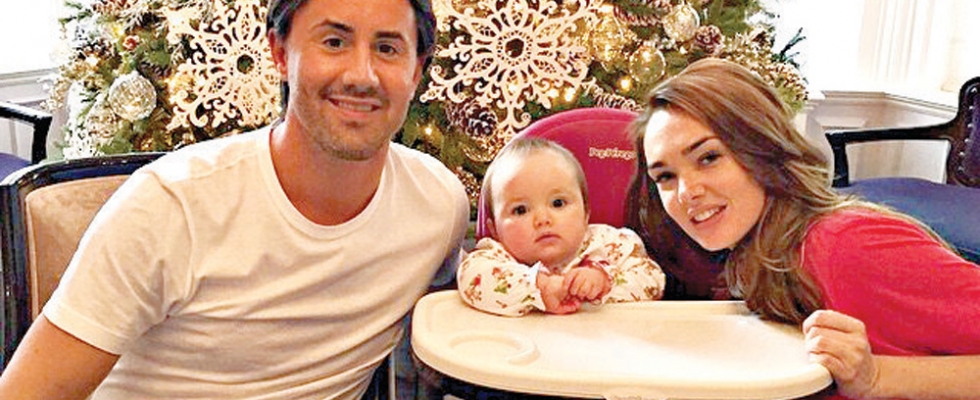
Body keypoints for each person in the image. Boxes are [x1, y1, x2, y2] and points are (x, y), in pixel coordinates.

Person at [0, 0, 470, 399]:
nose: (361, 75)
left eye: (387, 48)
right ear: (280, 53)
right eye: (334, 42)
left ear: (416, 70)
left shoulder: (436, 207)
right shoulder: (170, 206)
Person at [626, 57, 980, 399]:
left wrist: (877, 377)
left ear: (762, 147)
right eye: (666, 176)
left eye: (708, 158)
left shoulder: (845, 245)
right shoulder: (743, 252)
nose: (686, 192)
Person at [458, 137, 665, 317]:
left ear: (586, 213)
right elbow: (471, 278)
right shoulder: (497, 257)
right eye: (520, 210)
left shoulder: (610, 245)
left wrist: (604, 282)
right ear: (495, 230)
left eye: (558, 203)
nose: (542, 219)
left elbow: (653, 280)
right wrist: (539, 287)